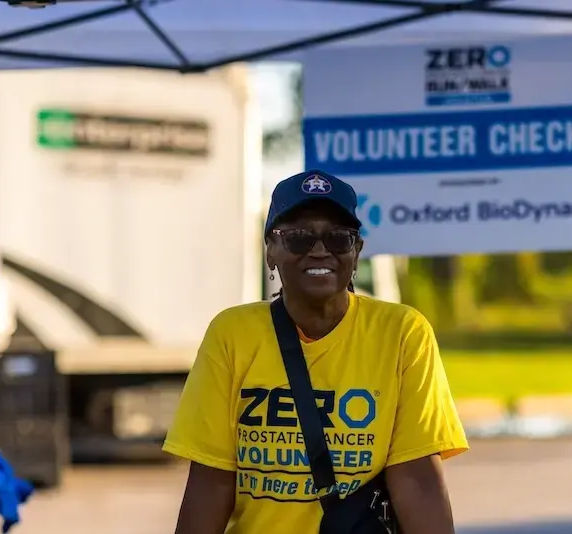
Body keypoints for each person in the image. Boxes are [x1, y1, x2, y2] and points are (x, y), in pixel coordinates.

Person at [163, 169, 468, 534]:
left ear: (356, 253)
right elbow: (211, 482)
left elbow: (417, 478)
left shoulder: (403, 333)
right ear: (271, 252)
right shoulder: (232, 334)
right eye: (298, 238)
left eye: (339, 238)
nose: (320, 249)